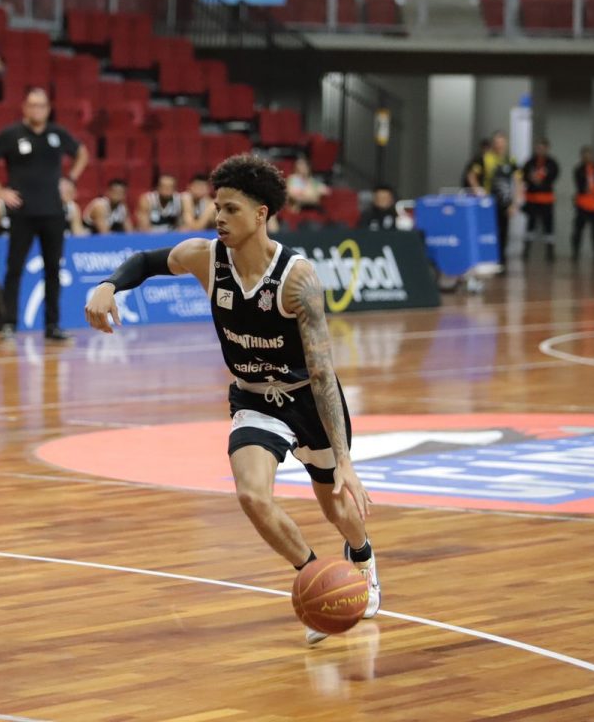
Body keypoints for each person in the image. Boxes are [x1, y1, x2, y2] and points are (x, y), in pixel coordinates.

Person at [85, 154, 379, 645]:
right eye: (216, 207)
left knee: (335, 507)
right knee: (251, 495)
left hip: (307, 398)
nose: (218, 217)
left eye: (231, 209)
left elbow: (323, 374)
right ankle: (314, 579)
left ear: (261, 214)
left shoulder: (298, 280)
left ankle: (363, 556)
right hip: (254, 398)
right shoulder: (206, 258)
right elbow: (147, 261)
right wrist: (107, 284)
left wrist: (345, 460)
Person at [0, 87, 89, 341]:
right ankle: (9, 322)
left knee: (53, 270)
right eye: (33, 105)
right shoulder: (12, 134)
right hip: (22, 212)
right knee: (14, 268)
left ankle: (52, 325)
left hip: (53, 212)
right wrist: (0, 191)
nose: (37, 110)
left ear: (48, 109)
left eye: (42, 105)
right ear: (25, 108)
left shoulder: (57, 133)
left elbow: (82, 153)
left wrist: (70, 179)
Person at [479, 131, 523, 268]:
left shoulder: (511, 161)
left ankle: (500, 260)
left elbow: (518, 182)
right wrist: (478, 191)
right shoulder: (486, 158)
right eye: (497, 143)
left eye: (502, 143)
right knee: (488, 230)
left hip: (505, 202)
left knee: (503, 231)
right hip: (488, 202)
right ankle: (487, 258)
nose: (500, 145)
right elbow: (472, 175)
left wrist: (515, 203)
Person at [521, 137, 559, 262]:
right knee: (530, 225)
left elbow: (553, 176)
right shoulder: (530, 162)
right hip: (532, 199)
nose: (540, 150)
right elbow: (524, 175)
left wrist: (541, 181)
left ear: (547, 148)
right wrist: (531, 179)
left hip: (546, 199)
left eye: (542, 148)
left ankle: (550, 251)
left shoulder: (551, 163)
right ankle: (526, 250)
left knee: (548, 226)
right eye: (538, 148)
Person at [571, 146, 594, 263]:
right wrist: (585, 188)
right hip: (582, 204)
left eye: (589, 154)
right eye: (585, 155)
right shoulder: (579, 170)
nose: (587, 157)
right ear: (582, 156)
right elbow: (579, 184)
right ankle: (575, 253)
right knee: (578, 229)